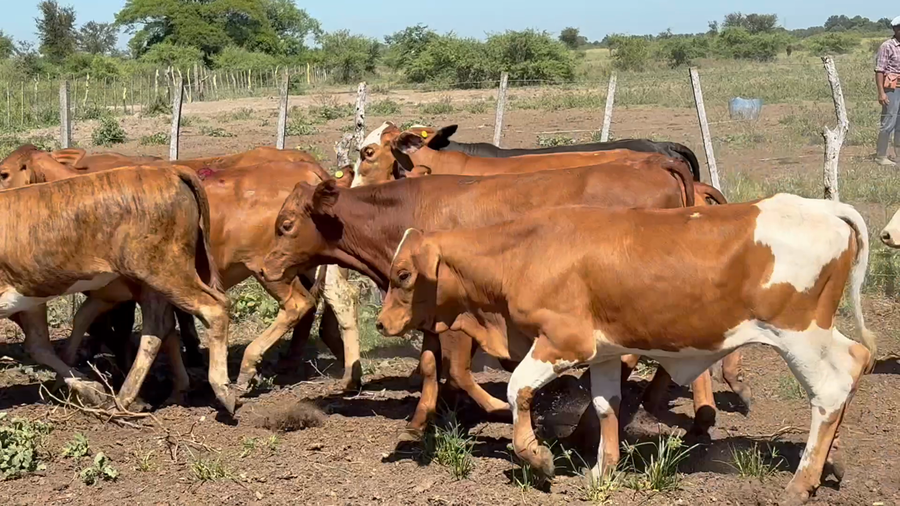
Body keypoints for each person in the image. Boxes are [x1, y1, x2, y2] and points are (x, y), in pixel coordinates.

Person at [875, 16, 900, 166]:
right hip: (891, 88)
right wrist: (881, 93)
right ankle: (881, 156)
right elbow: (879, 70)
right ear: (896, 29)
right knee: (888, 122)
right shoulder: (887, 46)